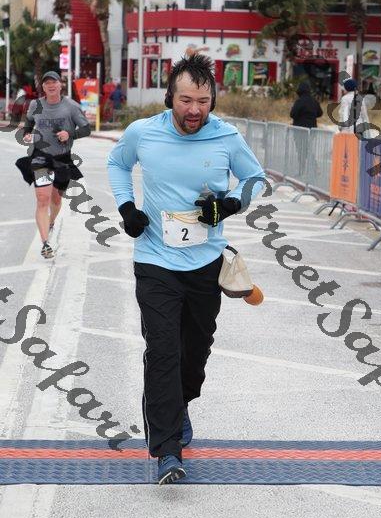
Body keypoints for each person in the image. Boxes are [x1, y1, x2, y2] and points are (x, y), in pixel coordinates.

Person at [108, 54, 265, 485]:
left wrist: (229, 204)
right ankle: (167, 450)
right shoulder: (143, 132)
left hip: (205, 264)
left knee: (194, 354)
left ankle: (180, 404)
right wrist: (127, 207)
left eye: (203, 101)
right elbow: (117, 164)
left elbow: (255, 178)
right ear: (169, 98)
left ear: (212, 100)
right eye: (185, 101)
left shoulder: (226, 136)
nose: (194, 110)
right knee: (163, 350)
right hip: (155, 260)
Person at [15, 71, 91, 259]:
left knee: (56, 200)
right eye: (46, 83)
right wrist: (27, 133)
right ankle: (45, 244)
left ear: (60, 85)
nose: (50, 85)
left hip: (62, 158)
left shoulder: (71, 107)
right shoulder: (36, 105)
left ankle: (51, 221)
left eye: (53, 82)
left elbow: (86, 129)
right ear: (43, 87)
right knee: (42, 198)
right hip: (40, 157)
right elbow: (29, 122)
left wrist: (70, 134)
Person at [290, 81, 323, 174]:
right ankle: (315, 169)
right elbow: (320, 113)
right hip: (312, 130)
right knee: (308, 149)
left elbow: (292, 114)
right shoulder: (314, 101)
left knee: (301, 150)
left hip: (299, 130)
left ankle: (302, 170)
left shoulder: (299, 101)